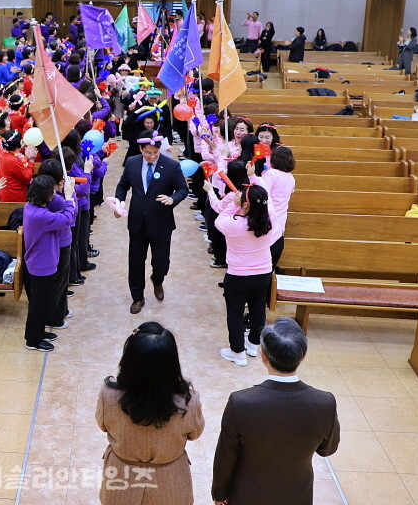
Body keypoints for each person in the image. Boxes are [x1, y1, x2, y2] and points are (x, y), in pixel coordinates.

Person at [212, 318, 340, 505]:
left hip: (246, 495)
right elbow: (328, 449)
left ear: (263, 355)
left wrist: (219, 494)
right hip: (297, 495)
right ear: (303, 355)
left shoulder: (240, 402)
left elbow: (225, 456)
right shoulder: (325, 403)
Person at [97, 322, 204, 505]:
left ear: (129, 360)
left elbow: (103, 425)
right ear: (172, 363)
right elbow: (195, 433)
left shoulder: (108, 396)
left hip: (121, 480)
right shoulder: (189, 401)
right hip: (171, 483)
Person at [114, 130, 189, 314]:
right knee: (136, 262)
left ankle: (158, 279)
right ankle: (137, 297)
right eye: (148, 152)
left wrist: (173, 199)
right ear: (140, 149)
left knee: (161, 262)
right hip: (137, 222)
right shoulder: (132, 163)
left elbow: (182, 189)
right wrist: (119, 203)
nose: (152, 156)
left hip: (161, 222)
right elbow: (123, 186)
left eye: (155, 153)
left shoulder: (171, 166)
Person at [214, 184, 274, 367]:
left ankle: (237, 352)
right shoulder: (270, 221)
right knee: (257, 309)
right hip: (263, 273)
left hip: (238, 275)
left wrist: (234, 204)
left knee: (235, 313)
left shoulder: (234, 224)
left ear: (245, 205)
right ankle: (254, 344)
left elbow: (219, 221)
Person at [23, 174, 76, 351]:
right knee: (39, 303)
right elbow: (68, 219)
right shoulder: (40, 215)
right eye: (52, 191)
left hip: (42, 260)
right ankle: (33, 340)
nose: (54, 194)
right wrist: (69, 197)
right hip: (41, 264)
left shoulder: (32, 206)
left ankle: (38, 332)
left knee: (43, 301)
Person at [0, 130, 36, 203]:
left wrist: (20, 149)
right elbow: (27, 178)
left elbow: (15, 154)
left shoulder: (3, 152)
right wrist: (31, 160)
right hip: (14, 197)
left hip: (6, 192)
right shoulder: (13, 161)